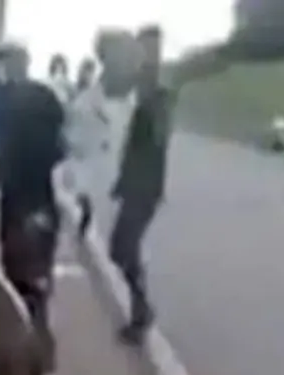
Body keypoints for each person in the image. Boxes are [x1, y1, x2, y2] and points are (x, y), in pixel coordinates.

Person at [0, 42, 66, 369]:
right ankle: (43, 345)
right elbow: (63, 148)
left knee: (17, 279)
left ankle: (25, 351)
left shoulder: (6, 103)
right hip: (44, 202)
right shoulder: (47, 97)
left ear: (11, 65)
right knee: (39, 276)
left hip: (18, 203)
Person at [109, 25, 172, 345]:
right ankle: (140, 308)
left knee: (122, 247)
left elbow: (157, 141)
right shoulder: (143, 87)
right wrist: (121, 180)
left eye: (152, 48)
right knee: (121, 248)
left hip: (145, 187)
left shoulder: (158, 92)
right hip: (135, 184)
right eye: (143, 48)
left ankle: (141, 311)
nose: (147, 55)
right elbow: (132, 142)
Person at [65, 56, 109, 238]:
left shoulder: (95, 94)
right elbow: (68, 115)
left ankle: (85, 218)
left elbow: (104, 116)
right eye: (83, 71)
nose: (85, 75)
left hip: (87, 144)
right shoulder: (74, 92)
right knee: (74, 186)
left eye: (89, 71)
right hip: (74, 142)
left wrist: (104, 135)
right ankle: (84, 213)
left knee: (82, 187)